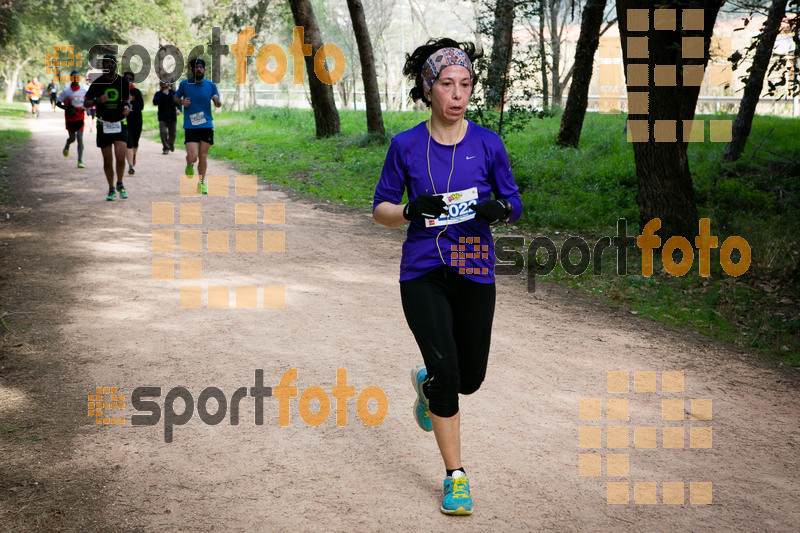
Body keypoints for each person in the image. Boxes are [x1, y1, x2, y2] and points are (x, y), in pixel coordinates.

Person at [372, 38, 522, 516]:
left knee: (469, 379)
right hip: (422, 271)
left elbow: (514, 202)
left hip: (475, 268)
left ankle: (427, 381)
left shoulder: (488, 144)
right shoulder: (406, 145)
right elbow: (380, 210)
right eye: (447, 85)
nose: (457, 95)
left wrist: (500, 209)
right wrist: (411, 209)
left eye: (465, 85)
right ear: (428, 89)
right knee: (448, 372)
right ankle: (456, 476)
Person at [84, 54, 130, 201]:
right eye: (106, 63)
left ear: (116, 65)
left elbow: (127, 101)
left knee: (121, 157)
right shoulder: (97, 83)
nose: (109, 65)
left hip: (120, 123)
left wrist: (128, 108)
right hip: (104, 125)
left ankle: (120, 183)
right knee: (107, 160)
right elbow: (86, 102)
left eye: (111, 62)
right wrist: (98, 100)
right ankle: (111, 188)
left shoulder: (123, 82)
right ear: (102, 65)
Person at [174, 58, 221, 194]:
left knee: (203, 155)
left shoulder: (210, 85)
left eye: (201, 67)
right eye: (196, 67)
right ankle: (189, 163)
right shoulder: (185, 84)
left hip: (206, 124)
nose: (199, 69)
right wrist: (183, 103)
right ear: (192, 70)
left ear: (204, 69)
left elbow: (218, 104)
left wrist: (217, 101)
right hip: (191, 125)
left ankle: (201, 183)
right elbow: (176, 98)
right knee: (193, 156)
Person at [57, 70, 87, 168]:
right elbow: (58, 103)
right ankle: (67, 144)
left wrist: (85, 107)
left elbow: (88, 102)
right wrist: (67, 108)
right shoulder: (66, 91)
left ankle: (80, 160)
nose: (75, 79)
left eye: (77, 77)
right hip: (70, 119)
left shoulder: (84, 91)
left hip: (80, 118)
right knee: (72, 138)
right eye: (73, 77)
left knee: (79, 138)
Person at [123, 71, 144, 175]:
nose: (128, 81)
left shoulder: (136, 92)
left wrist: (131, 101)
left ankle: (133, 156)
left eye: (130, 79)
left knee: (135, 143)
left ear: (133, 81)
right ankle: (130, 166)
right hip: (126, 121)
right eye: (126, 78)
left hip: (136, 120)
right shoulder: (121, 92)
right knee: (129, 143)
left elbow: (141, 106)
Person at [153, 81, 181, 154]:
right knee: (163, 132)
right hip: (162, 117)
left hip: (172, 117)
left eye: (166, 87)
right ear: (161, 87)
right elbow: (155, 102)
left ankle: (170, 144)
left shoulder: (173, 93)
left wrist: (179, 109)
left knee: (173, 134)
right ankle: (166, 148)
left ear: (169, 86)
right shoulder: (158, 94)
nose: (165, 89)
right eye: (163, 87)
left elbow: (178, 103)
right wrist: (163, 95)